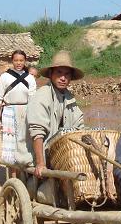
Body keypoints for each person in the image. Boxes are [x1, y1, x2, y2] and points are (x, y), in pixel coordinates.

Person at [26, 50, 84, 178]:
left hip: (63, 155)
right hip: (42, 154)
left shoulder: (69, 98)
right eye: (59, 73)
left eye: (67, 74)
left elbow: (79, 126)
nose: (63, 78)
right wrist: (41, 164)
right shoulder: (41, 97)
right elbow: (37, 133)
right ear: (51, 74)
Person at [0, 50, 37, 171]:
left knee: (25, 142)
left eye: (21, 60)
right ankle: (12, 175)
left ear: (25, 61)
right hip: (8, 111)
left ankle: (24, 171)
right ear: (12, 61)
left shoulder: (30, 78)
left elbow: (33, 100)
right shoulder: (5, 77)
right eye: (16, 60)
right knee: (10, 144)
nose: (18, 63)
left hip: (25, 111)